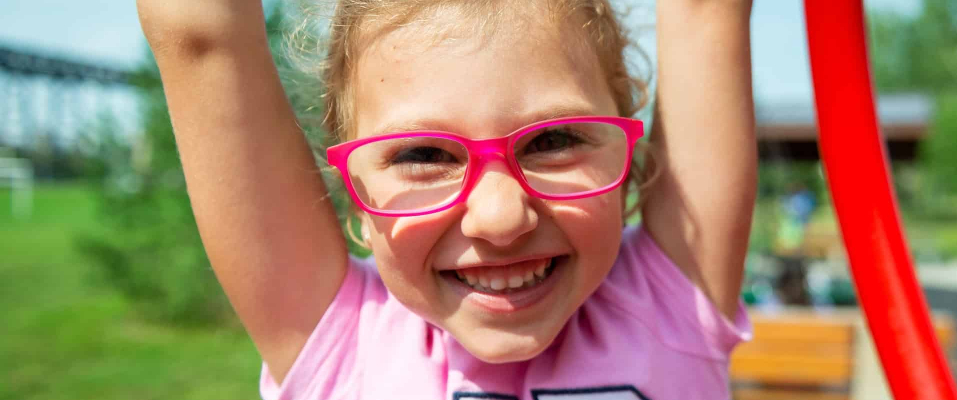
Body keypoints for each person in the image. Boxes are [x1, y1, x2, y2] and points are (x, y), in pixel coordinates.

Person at [136, 0, 757, 399]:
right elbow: (200, 35)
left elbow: (705, 14)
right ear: (356, 197)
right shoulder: (339, 343)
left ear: (627, 168)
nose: (500, 217)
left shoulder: (673, 302)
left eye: (555, 141)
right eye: (423, 156)